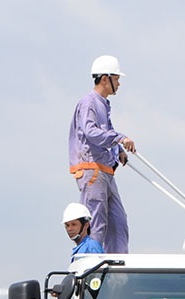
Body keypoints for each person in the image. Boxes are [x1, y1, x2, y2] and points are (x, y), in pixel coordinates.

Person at [69, 54, 135, 254]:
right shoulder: (89, 102)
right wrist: (120, 138)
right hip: (92, 171)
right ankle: (93, 269)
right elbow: (91, 132)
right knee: (97, 225)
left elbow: (106, 130)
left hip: (105, 170)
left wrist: (119, 150)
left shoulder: (103, 104)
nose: (119, 83)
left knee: (118, 224)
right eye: (116, 78)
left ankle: (119, 272)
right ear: (105, 79)